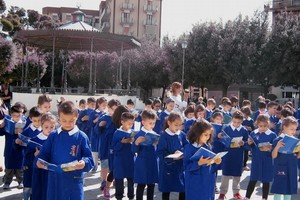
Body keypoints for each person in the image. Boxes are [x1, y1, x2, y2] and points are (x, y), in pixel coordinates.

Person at [36, 101, 94, 200]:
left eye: (72, 121)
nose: (68, 124)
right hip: (55, 181)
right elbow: (44, 154)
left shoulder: (82, 137)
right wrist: (39, 161)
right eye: (64, 120)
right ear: (58, 118)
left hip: (73, 182)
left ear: (77, 117)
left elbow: (89, 159)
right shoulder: (53, 135)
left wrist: (83, 163)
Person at [183, 119, 222, 200]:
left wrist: (216, 162)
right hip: (195, 183)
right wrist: (198, 163)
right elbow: (186, 167)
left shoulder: (208, 146)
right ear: (197, 134)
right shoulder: (189, 148)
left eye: (209, 135)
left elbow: (211, 165)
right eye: (205, 134)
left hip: (208, 181)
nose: (208, 137)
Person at [244, 115, 277, 200]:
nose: (262, 128)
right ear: (257, 124)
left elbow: (275, 147)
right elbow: (248, 148)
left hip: (267, 160)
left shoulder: (272, 134)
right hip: (256, 160)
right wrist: (249, 143)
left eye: (265, 126)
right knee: (253, 179)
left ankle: (264, 198)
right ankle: (247, 197)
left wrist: (271, 147)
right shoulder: (253, 133)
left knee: (266, 180)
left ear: (268, 124)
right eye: (260, 126)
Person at [157, 112, 188, 200]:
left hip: (179, 166)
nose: (178, 127)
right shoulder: (164, 136)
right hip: (167, 168)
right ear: (169, 123)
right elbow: (160, 152)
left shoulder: (181, 134)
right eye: (176, 125)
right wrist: (172, 157)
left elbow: (187, 146)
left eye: (180, 125)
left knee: (182, 187)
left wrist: (182, 152)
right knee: (166, 189)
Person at [218, 111, 248, 200]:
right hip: (228, 155)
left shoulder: (244, 130)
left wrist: (244, 143)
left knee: (237, 175)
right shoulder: (226, 128)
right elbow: (221, 141)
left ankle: (236, 192)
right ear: (232, 120)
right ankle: (222, 193)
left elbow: (247, 143)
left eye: (238, 122)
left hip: (238, 155)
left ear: (242, 121)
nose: (236, 124)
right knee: (225, 174)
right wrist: (220, 137)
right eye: (234, 122)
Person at [15, 107, 42, 200]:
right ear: (30, 119)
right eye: (35, 120)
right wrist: (17, 143)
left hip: (40, 163)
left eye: (39, 120)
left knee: (38, 183)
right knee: (27, 184)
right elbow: (19, 147)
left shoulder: (45, 130)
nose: (38, 123)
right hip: (28, 162)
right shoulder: (26, 131)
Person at [271, 116, 300, 200]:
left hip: (292, 167)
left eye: (295, 129)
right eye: (292, 129)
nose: (294, 132)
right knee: (279, 188)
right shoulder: (278, 140)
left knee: (289, 189)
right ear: (284, 127)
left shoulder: (295, 141)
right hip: (280, 168)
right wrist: (277, 147)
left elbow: (298, 156)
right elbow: (273, 155)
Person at [132, 110, 159, 200]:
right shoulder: (139, 134)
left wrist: (157, 143)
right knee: (141, 184)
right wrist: (136, 142)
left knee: (151, 185)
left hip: (152, 162)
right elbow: (134, 150)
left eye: (153, 123)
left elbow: (158, 150)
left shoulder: (155, 134)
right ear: (143, 122)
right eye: (150, 123)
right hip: (142, 162)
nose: (152, 125)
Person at [96, 99, 119, 198]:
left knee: (113, 165)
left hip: (114, 147)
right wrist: (99, 126)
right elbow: (96, 131)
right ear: (108, 108)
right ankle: (104, 181)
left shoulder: (118, 119)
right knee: (105, 165)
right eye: (112, 109)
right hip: (105, 146)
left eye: (116, 110)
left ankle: (112, 180)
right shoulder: (103, 117)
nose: (114, 111)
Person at [31, 113, 57, 200]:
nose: (49, 130)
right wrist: (35, 156)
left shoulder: (57, 139)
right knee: (40, 193)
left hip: (52, 172)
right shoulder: (35, 140)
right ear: (41, 126)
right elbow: (27, 157)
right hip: (39, 172)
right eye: (46, 127)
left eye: (52, 127)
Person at [0, 105, 25, 189]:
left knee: (20, 167)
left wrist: (20, 132)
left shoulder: (24, 124)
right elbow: (1, 133)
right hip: (9, 150)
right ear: (11, 115)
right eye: (15, 116)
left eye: (19, 116)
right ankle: (7, 182)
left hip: (20, 151)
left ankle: (20, 181)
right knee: (9, 167)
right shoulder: (8, 124)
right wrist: (1, 126)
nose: (17, 118)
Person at [111, 112, 135, 200]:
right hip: (120, 160)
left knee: (131, 179)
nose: (131, 125)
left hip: (131, 159)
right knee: (119, 179)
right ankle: (119, 196)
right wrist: (122, 142)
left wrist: (134, 142)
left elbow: (135, 146)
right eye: (129, 123)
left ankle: (131, 196)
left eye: (132, 123)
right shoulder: (117, 133)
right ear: (122, 122)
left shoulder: (132, 132)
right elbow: (113, 147)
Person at [90, 97, 107, 172]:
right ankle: (95, 165)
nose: (105, 106)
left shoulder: (105, 113)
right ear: (99, 104)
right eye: (103, 104)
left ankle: (103, 168)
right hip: (95, 135)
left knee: (102, 150)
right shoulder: (93, 113)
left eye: (106, 105)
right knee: (94, 151)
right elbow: (89, 124)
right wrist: (96, 120)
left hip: (102, 135)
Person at [240, 106, 255, 171]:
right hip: (241, 137)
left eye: (246, 114)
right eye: (243, 114)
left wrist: (250, 128)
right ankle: (240, 164)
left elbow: (253, 129)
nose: (244, 115)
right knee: (240, 151)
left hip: (247, 137)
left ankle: (244, 165)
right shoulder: (240, 120)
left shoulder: (251, 120)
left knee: (246, 152)